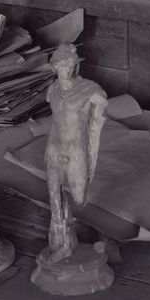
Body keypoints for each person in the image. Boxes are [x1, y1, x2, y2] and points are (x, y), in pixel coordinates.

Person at [42, 43, 108, 262]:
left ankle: (68, 234)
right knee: (54, 194)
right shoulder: (51, 91)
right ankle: (62, 241)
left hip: (76, 147)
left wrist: (98, 112)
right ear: (55, 67)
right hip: (54, 146)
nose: (67, 69)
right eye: (63, 65)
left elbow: (100, 107)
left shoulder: (89, 89)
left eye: (71, 65)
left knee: (79, 197)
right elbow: (55, 122)